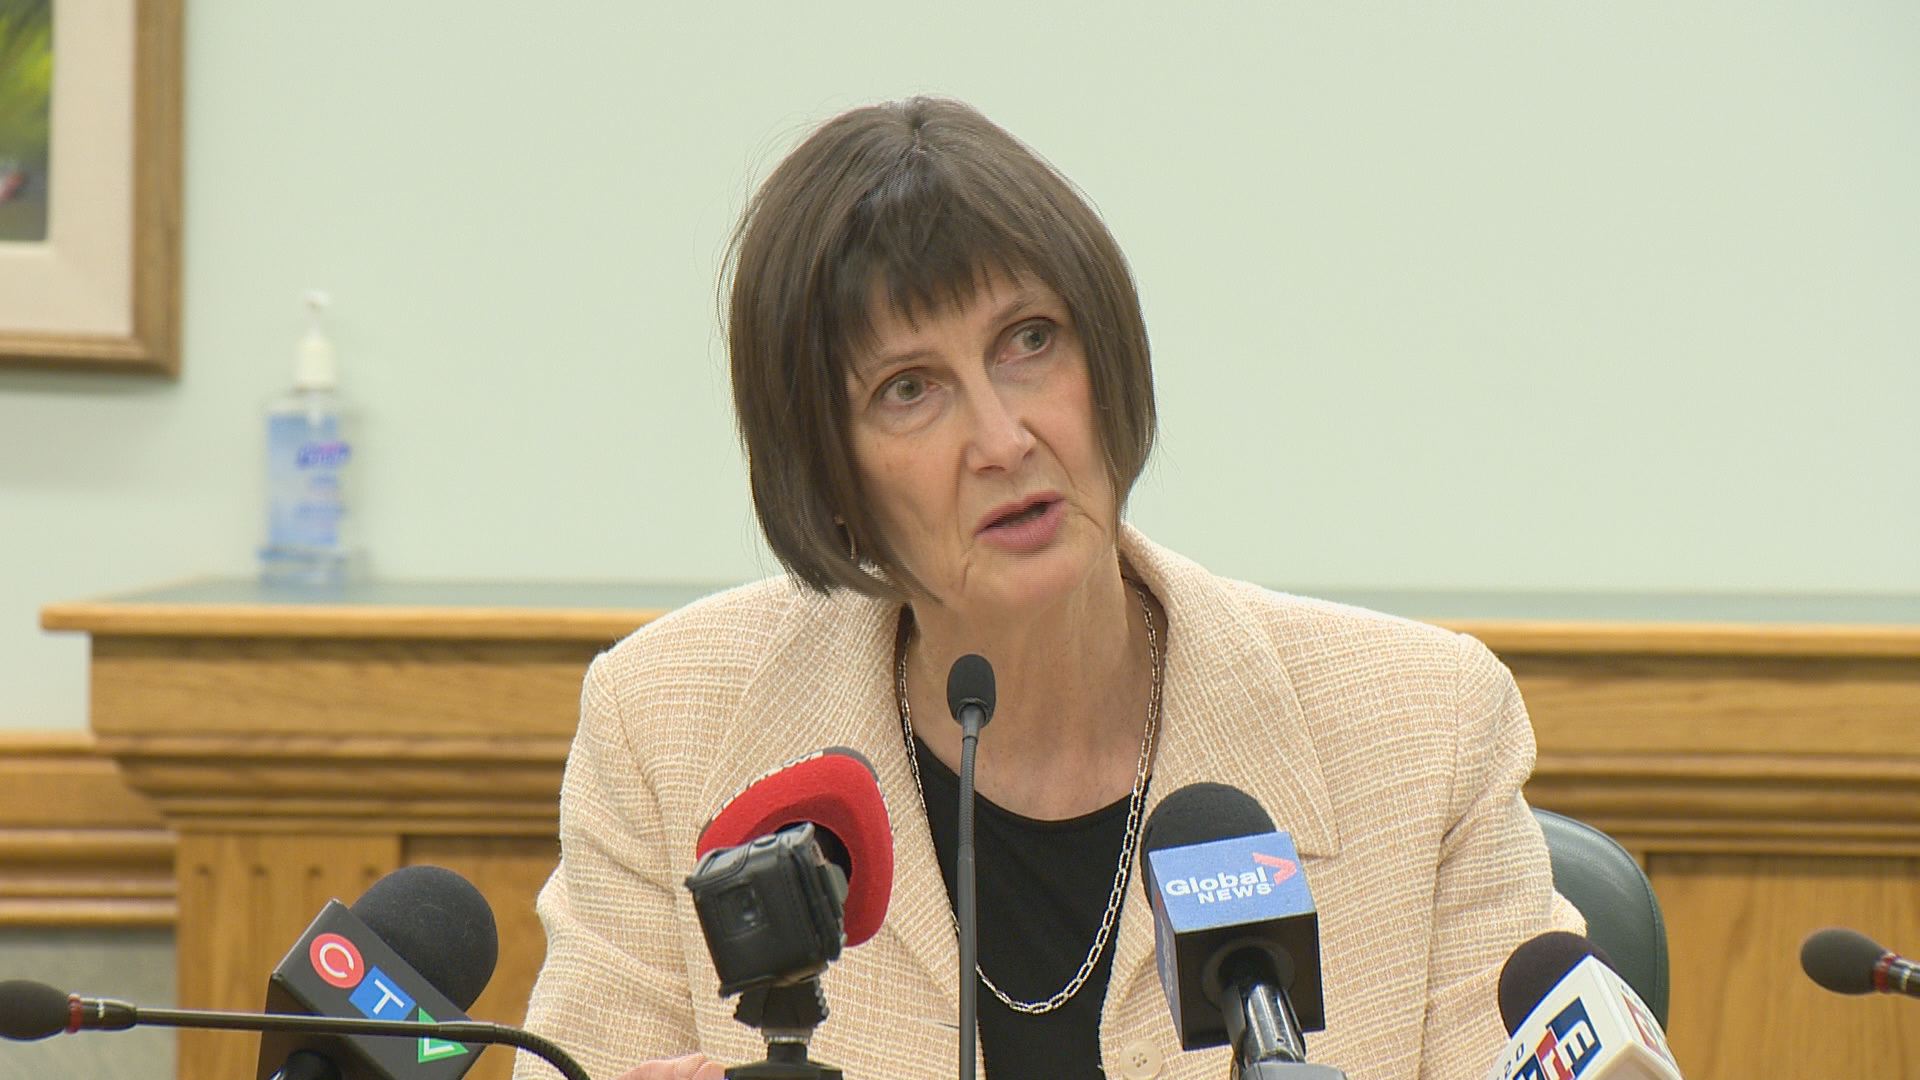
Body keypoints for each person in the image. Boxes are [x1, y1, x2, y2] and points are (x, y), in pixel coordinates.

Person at [515, 97, 1580, 1080]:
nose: (1002, 438)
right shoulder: (670, 731)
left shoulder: (1423, 733)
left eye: (1029, 342)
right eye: (909, 390)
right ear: (829, 475)